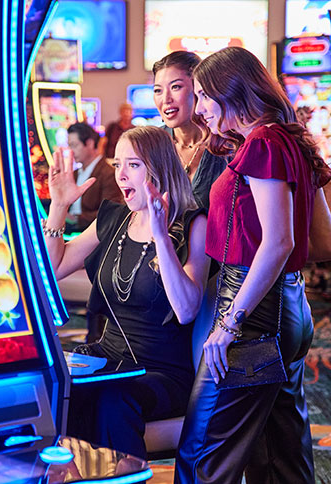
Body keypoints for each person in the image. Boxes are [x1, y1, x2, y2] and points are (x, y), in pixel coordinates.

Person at [174, 46, 331, 484]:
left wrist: (229, 322)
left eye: (205, 95)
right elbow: (321, 242)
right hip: (291, 305)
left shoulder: (262, 143)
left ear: (232, 91)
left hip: (252, 309)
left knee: (204, 452)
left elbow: (279, 242)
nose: (200, 107)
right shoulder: (290, 140)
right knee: (279, 454)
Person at [43, 125, 211, 460]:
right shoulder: (113, 217)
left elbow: (187, 309)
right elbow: (54, 269)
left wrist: (161, 237)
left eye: (133, 165)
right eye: (118, 164)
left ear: (160, 168)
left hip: (161, 371)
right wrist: (58, 205)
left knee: (112, 398)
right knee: (53, 383)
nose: (121, 175)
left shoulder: (194, 222)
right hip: (106, 358)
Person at [152, 51, 227, 211]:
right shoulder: (152, 144)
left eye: (176, 87)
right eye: (158, 90)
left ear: (198, 89)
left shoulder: (226, 141)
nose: (165, 99)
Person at [66, 122, 122, 232]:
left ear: (90, 143)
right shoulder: (74, 173)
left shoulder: (108, 173)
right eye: (70, 146)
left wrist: (76, 219)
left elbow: (110, 212)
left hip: (89, 233)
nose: (71, 151)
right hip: (68, 228)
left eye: (75, 145)